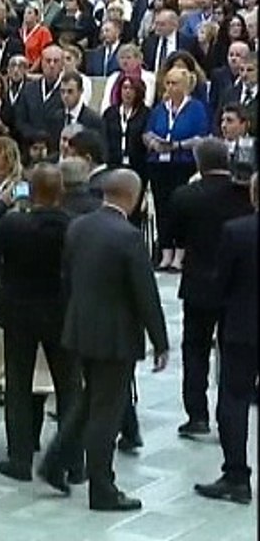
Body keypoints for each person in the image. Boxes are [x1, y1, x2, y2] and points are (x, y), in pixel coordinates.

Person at [38, 169, 169, 512]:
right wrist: (160, 340)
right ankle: (102, 487)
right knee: (106, 413)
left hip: (81, 327)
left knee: (89, 401)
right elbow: (145, 293)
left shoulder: (78, 226)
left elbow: (66, 278)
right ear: (134, 196)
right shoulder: (128, 236)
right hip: (115, 334)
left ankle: (55, 462)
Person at [0, 164, 81, 482]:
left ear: (30, 192)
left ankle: (19, 459)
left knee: (18, 384)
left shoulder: (15, 223)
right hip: (60, 311)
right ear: (62, 192)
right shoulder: (73, 226)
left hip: (19, 311)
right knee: (69, 386)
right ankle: (73, 461)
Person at [164, 139, 252, 438]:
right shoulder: (243, 196)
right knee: (231, 352)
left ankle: (197, 415)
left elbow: (171, 236)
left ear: (198, 163)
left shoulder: (186, 195)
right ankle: (228, 411)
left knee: (195, 349)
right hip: (236, 286)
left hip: (199, 282)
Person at [194, 173, 257, 505]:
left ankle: (236, 476)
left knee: (233, 399)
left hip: (242, 326)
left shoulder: (237, 231)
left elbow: (220, 281)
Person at [143, 66, 211, 271]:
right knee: (162, 208)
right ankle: (165, 252)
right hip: (159, 164)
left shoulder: (197, 108)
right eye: (168, 83)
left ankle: (180, 253)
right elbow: (147, 132)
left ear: (186, 86)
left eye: (175, 84)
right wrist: (154, 143)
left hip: (184, 164)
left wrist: (178, 145)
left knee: (181, 207)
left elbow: (202, 136)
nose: (170, 88)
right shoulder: (160, 108)